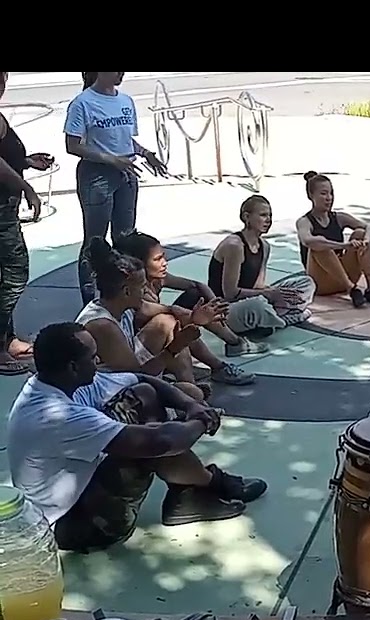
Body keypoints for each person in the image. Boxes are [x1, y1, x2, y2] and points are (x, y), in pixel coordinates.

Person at [6, 322, 267, 553]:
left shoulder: (60, 381)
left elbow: (143, 379)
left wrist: (192, 406)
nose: (98, 363)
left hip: (82, 489)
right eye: (93, 358)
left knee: (141, 394)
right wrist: (203, 420)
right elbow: (161, 443)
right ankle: (206, 485)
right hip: (71, 524)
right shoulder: (54, 415)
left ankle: (190, 492)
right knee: (143, 445)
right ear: (73, 366)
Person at [75, 237, 225, 399]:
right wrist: (174, 347)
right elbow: (138, 378)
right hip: (109, 394)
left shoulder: (120, 305)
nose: (145, 292)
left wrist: (195, 318)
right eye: (142, 287)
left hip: (126, 377)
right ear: (126, 291)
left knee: (167, 323)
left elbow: (169, 312)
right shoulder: (104, 326)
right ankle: (191, 400)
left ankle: (191, 392)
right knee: (191, 393)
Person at [64, 72, 168, 304]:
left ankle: (127, 293)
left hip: (126, 171)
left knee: (126, 237)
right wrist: (109, 158)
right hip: (97, 175)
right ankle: (91, 299)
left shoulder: (125, 101)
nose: (120, 73)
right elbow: (72, 145)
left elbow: (125, 138)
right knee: (95, 240)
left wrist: (146, 153)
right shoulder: (83, 102)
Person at [113, 231, 266, 372]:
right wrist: (196, 316)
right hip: (145, 346)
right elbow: (163, 311)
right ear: (140, 264)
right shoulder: (134, 290)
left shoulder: (159, 279)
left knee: (194, 296)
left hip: (160, 335)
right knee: (173, 321)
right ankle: (220, 363)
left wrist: (215, 303)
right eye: (158, 259)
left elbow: (197, 285)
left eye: (164, 256)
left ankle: (233, 342)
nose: (165, 262)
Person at [0, 71, 55, 374]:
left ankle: (6, 338)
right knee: (14, 276)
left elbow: (5, 158)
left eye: (3, 79)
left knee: (6, 277)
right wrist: (27, 187)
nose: (1, 86)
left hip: (5, 210)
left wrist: (26, 162)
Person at [204, 195, 316, 337]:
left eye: (270, 215)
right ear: (246, 217)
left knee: (306, 283)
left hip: (251, 298)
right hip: (226, 308)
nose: (268, 220)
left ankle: (272, 318)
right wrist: (268, 295)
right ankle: (283, 319)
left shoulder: (265, 246)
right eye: (263, 215)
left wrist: (276, 293)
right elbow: (230, 294)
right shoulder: (235, 245)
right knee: (258, 305)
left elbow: (258, 286)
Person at [295, 172, 370, 309]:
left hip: (344, 275)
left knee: (360, 233)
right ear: (311, 196)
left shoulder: (339, 217)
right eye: (323, 194)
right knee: (319, 245)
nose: (329, 198)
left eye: (331, 193)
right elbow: (307, 241)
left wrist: (365, 242)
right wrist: (345, 245)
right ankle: (351, 289)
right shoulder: (304, 222)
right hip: (321, 283)